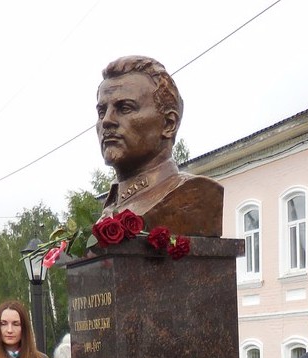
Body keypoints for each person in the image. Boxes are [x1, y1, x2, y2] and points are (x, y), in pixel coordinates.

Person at [96, 55, 223, 237]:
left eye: (125, 108)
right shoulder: (109, 208)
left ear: (168, 124)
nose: (107, 121)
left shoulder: (195, 194)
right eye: (101, 112)